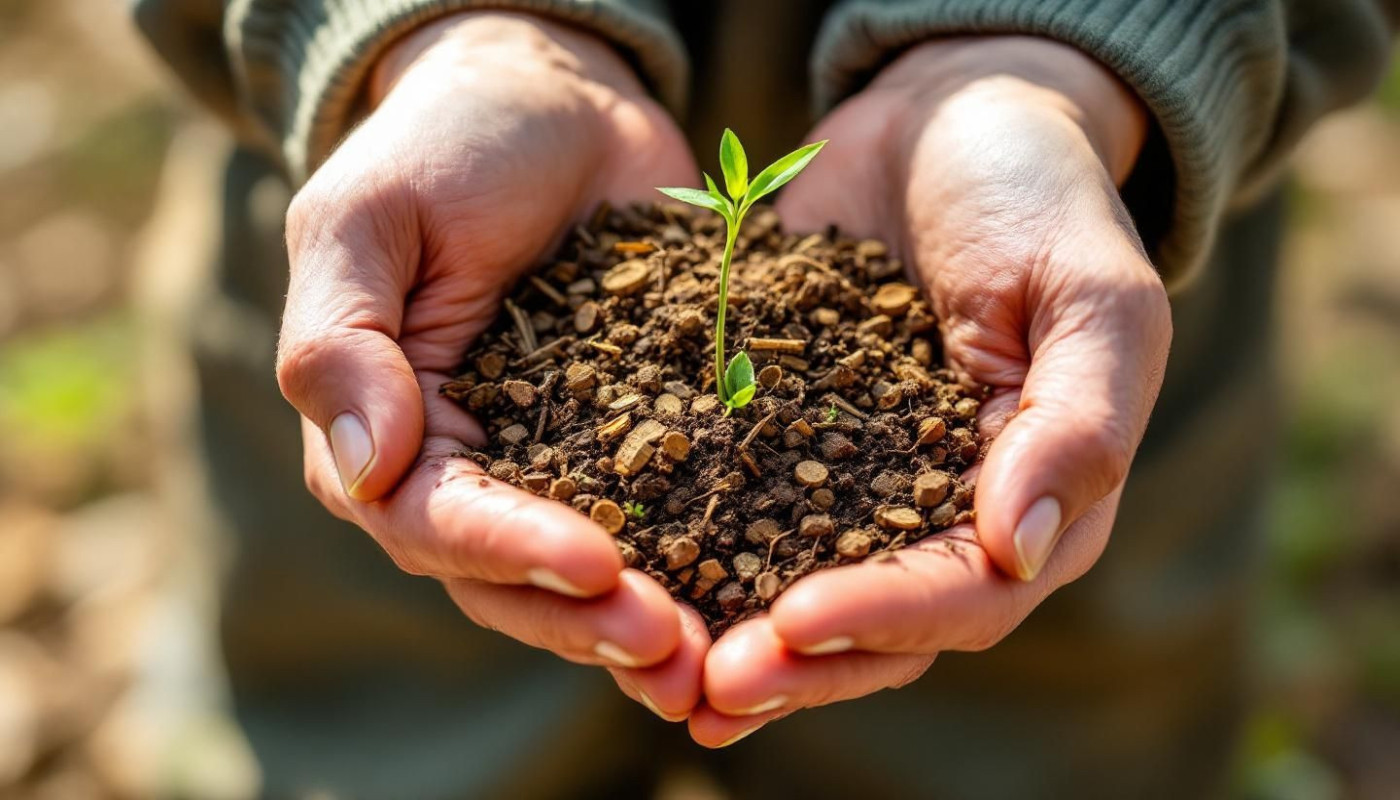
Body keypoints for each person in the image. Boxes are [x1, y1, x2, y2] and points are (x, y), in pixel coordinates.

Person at [134, 1, 1398, 797]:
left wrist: (1054, 57)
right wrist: (444, 29)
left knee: (1044, 737)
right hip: (396, 183)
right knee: (379, 734)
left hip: (1106, 199)